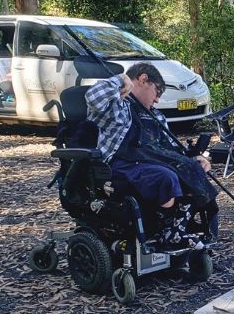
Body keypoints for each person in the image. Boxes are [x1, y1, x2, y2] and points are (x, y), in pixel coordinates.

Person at [85, 62, 218, 249]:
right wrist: (120, 80)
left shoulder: (157, 117)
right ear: (143, 79)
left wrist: (194, 159)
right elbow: (93, 97)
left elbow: (170, 149)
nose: (157, 100)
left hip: (149, 163)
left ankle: (175, 231)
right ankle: (164, 230)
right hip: (120, 166)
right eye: (158, 92)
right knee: (166, 178)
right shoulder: (118, 107)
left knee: (193, 173)